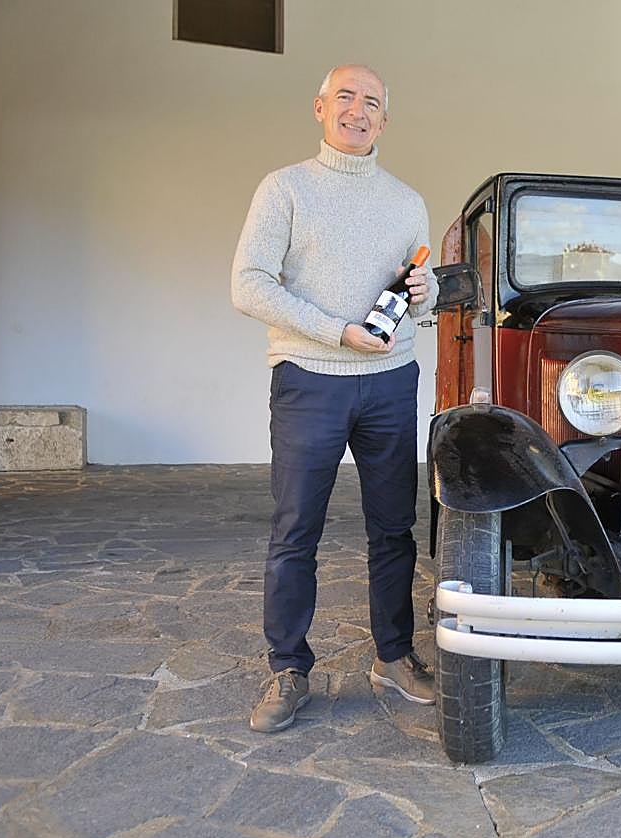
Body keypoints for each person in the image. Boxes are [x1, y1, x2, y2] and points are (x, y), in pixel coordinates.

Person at [232, 64, 438, 733]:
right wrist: (335, 331)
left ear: (385, 119)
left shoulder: (407, 202)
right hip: (309, 378)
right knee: (296, 531)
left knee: (394, 530)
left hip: (389, 381)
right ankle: (288, 668)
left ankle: (394, 657)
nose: (358, 111)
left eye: (372, 102)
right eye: (345, 98)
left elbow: (419, 291)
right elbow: (249, 285)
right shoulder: (284, 188)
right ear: (319, 107)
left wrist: (425, 293)